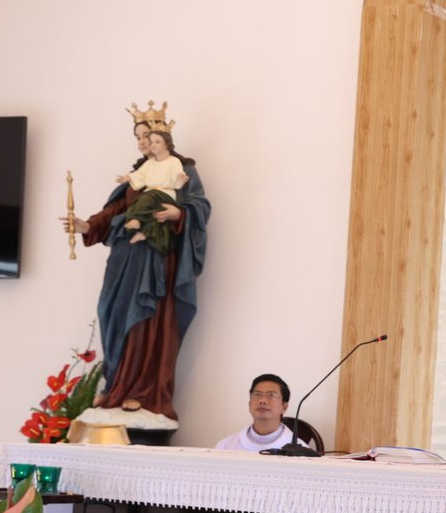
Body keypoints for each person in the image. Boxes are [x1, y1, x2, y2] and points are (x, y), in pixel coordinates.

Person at [63, 102, 210, 424]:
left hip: (155, 258)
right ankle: (115, 386)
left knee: (145, 321)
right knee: (111, 312)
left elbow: (199, 206)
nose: (143, 143)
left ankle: (143, 392)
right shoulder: (138, 175)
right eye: (139, 138)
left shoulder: (182, 169)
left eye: (147, 136)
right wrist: (87, 226)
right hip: (124, 256)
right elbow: (115, 210)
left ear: (162, 138)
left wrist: (179, 213)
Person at [118, 137, 189, 251]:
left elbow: (178, 175)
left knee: (146, 199)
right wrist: (127, 177)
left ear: (167, 144)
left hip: (165, 193)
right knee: (142, 208)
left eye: (157, 142)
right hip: (150, 193)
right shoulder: (150, 163)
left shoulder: (174, 161)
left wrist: (181, 178)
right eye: (151, 142)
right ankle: (145, 233)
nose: (153, 145)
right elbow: (139, 174)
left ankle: (137, 220)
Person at [214, 374, 315, 452]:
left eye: (271, 395)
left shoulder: (301, 452)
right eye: (257, 394)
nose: (262, 400)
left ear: (284, 407)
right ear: (249, 404)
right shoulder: (225, 447)